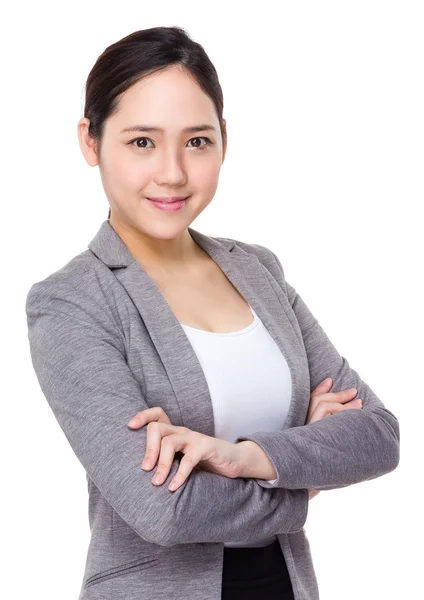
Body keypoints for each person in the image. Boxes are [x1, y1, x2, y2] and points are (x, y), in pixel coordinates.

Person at [25, 26, 400, 600]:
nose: (173, 172)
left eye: (196, 141)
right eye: (142, 142)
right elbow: (164, 512)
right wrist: (306, 481)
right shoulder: (73, 302)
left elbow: (377, 435)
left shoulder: (257, 271)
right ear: (90, 141)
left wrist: (243, 457)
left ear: (224, 139)